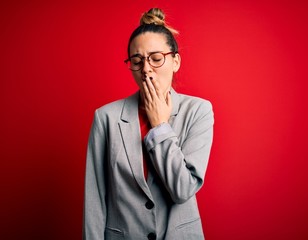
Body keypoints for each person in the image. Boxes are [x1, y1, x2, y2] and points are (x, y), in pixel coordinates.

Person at [83, 8, 214, 240]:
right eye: (137, 61)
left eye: (156, 59)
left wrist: (160, 126)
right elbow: (95, 199)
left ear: (175, 61)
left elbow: (183, 189)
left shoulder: (198, 111)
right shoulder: (106, 117)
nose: (146, 69)